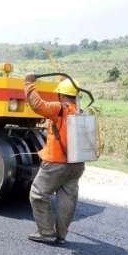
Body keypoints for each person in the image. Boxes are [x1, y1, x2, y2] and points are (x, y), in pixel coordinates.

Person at [24, 73, 85, 244]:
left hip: (56, 163)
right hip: (77, 164)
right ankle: (61, 235)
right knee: (67, 197)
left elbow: (37, 105)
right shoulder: (80, 111)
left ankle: (45, 233)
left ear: (60, 94)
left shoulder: (60, 108)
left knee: (38, 193)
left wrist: (29, 84)